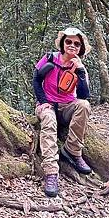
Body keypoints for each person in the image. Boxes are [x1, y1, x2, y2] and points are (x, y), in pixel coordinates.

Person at [33, 27, 92, 198]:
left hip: (67, 106)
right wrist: (43, 102)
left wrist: (80, 70)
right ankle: (51, 173)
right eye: (68, 41)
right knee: (49, 121)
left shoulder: (80, 67)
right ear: (62, 43)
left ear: (81, 48)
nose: (72, 45)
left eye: (76, 43)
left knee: (84, 106)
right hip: (48, 106)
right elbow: (36, 80)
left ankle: (73, 151)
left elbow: (84, 96)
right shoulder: (50, 58)